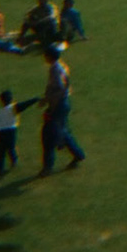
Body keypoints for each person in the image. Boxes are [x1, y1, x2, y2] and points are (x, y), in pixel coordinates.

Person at [39, 46, 86, 174]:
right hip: (63, 103)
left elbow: (59, 89)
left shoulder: (54, 69)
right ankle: (78, 154)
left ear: (49, 57)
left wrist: (47, 100)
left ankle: (48, 167)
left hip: (58, 104)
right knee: (63, 132)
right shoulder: (61, 65)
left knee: (49, 136)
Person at [0, 89, 29, 177]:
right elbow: (25, 105)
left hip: (1, 132)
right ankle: (14, 161)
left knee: (1, 152)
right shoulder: (12, 108)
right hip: (11, 131)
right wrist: (35, 99)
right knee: (11, 147)